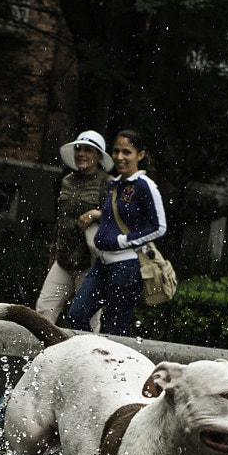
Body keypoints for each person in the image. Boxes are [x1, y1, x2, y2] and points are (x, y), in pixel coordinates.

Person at [68, 129, 166, 335]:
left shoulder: (145, 186)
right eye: (116, 151)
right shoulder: (114, 184)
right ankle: (95, 357)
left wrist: (124, 241)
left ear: (140, 155)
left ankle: (110, 364)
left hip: (127, 267)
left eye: (127, 152)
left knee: (114, 329)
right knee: (76, 314)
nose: (120, 157)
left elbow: (159, 227)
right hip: (102, 264)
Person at [36, 129, 109, 330]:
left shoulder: (108, 183)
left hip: (91, 262)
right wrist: (54, 251)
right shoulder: (66, 181)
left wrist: (96, 213)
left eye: (88, 150)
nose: (82, 154)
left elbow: (119, 217)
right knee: (44, 310)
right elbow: (60, 221)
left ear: (99, 156)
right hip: (65, 258)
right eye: (78, 149)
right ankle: (44, 356)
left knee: (88, 318)